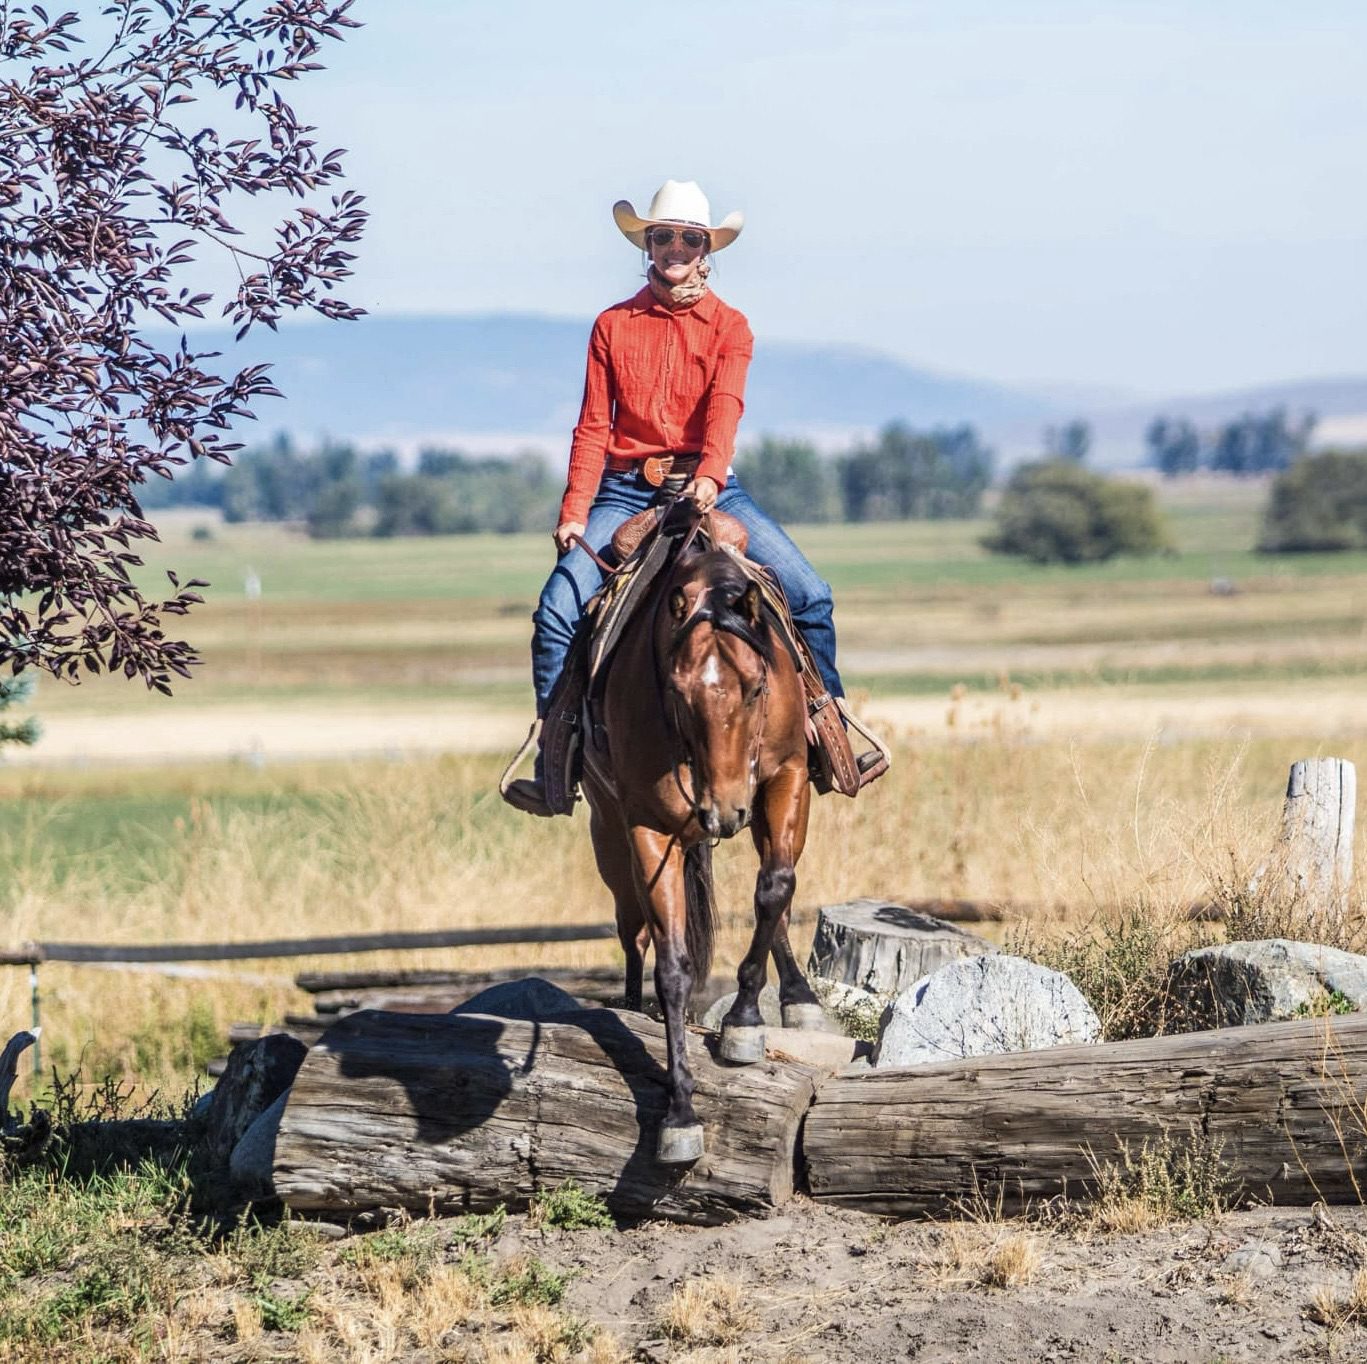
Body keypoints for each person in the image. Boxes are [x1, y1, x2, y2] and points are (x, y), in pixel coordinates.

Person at [503, 179, 885, 816]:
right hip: (625, 491)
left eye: (688, 237)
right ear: (646, 246)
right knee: (556, 610)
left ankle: (829, 730)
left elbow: (724, 410)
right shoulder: (612, 325)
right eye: (662, 236)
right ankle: (556, 754)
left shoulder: (730, 327)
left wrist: (708, 478)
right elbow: (593, 424)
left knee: (811, 594)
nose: (674, 247)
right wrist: (575, 512)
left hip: (713, 488)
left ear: (707, 249)